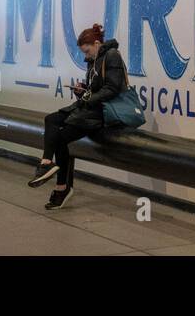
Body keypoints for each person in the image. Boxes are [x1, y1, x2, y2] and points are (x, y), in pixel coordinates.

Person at [27, 24, 126, 210]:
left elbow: (113, 89)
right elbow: (96, 88)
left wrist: (89, 98)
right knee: (51, 119)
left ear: (97, 43)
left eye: (87, 51)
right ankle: (47, 163)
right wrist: (83, 91)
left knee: (60, 138)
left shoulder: (112, 56)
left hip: (102, 113)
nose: (85, 56)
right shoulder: (94, 60)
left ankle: (61, 187)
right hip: (90, 109)